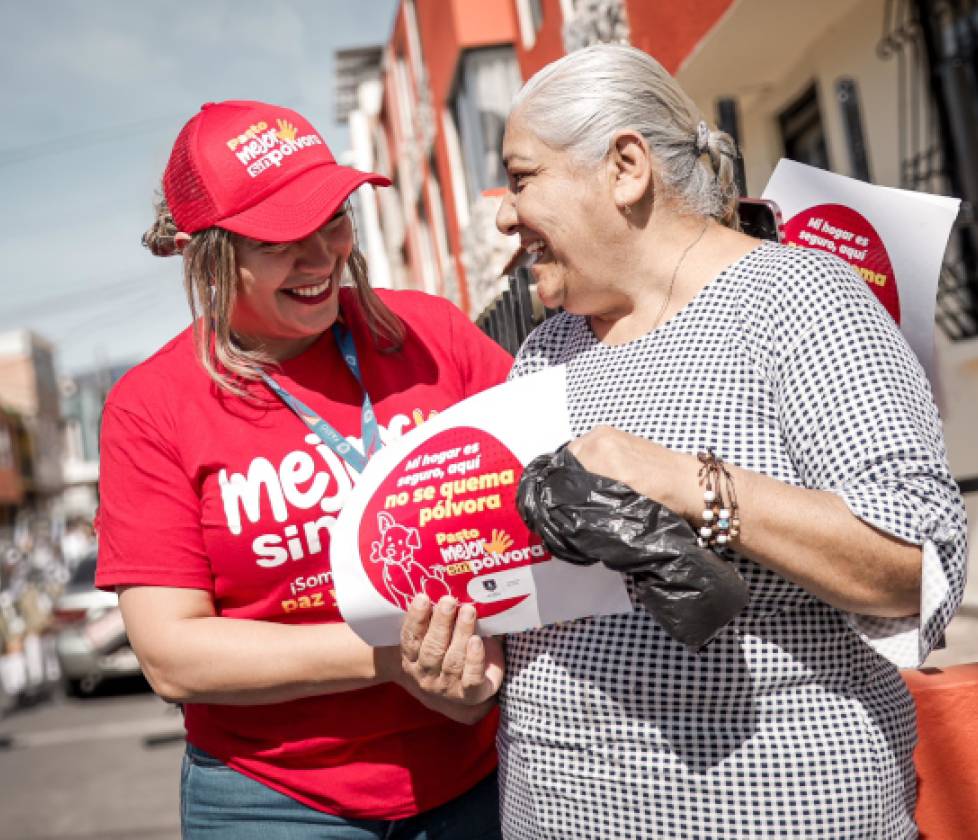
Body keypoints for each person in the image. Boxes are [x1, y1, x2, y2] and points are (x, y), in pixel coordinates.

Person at [398, 45, 968, 839]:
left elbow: (919, 565)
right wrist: (466, 676)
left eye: (522, 178)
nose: (503, 214)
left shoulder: (796, 300)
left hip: (772, 811)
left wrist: (685, 482)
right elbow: (544, 603)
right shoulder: (546, 350)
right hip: (555, 809)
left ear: (626, 167)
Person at [95, 99, 512, 840]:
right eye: (281, 238)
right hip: (275, 801)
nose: (320, 257)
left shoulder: (433, 333)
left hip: (476, 768)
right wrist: (393, 658)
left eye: (332, 219)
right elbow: (173, 655)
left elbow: (543, 493)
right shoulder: (150, 406)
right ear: (209, 253)